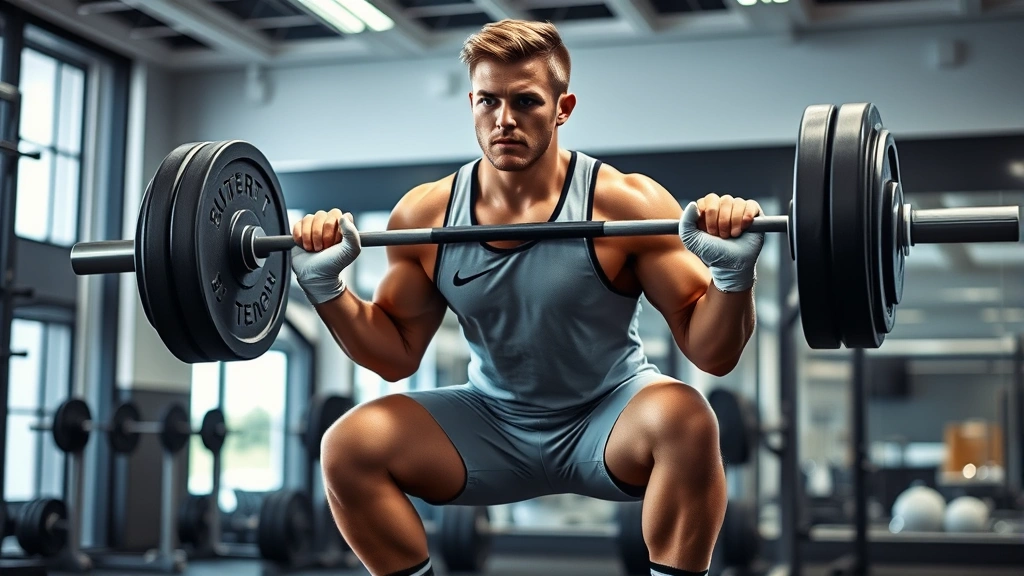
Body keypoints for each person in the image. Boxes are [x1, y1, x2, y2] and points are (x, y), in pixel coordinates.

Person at [290, 19, 764, 576]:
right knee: (348, 445)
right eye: (488, 101)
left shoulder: (625, 203)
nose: (505, 120)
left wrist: (732, 281)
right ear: (471, 103)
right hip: (489, 421)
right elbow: (394, 355)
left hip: (609, 415)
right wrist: (326, 289)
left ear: (563, 107)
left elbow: (712, 354)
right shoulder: (425, 215)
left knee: (687, 417)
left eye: (527, 102)